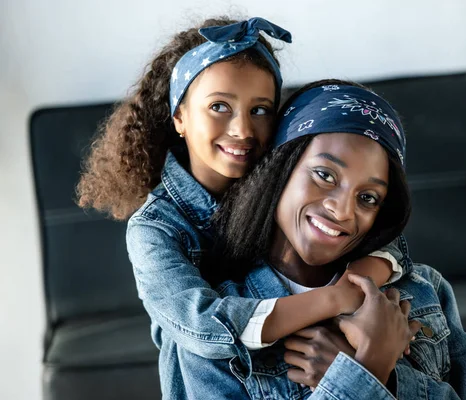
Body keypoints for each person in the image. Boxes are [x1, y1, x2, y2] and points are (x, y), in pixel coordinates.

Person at [76, 17, 411, 396]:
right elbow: (203, 327)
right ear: (179, 116)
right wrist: (335, 299)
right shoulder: (155, 229)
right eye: (220, 106)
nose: (242, 130)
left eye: (260, 110)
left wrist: (363, 280)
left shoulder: (285, 186)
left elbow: (374, 231)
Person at [206, 79, 466, 399]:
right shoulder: (217, 326)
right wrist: (372, 366)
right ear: (280, 167)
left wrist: (387, 378)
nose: (343, 210)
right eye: (325, 175)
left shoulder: (422, 291)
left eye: (368, 198)